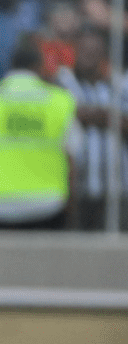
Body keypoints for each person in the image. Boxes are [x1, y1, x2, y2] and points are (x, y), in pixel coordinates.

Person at [0, 37, 82, 230]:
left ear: (10, 65)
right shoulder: (60, 102)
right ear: (39, 67)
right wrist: (71, 206)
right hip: (48, 205)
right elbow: (72, 159)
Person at [56, 27, 126, 230]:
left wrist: (90, 115)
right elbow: (63, 115)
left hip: (116, 188)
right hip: (77, 188)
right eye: (84, 51)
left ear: (104, 54)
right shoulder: (62, 82)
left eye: (95, 52)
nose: (89, 57)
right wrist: (109, 117)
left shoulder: (119, 85)